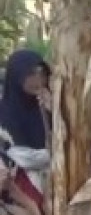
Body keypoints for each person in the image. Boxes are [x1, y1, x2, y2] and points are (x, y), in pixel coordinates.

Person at [0, 50, 52, 201]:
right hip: (20, 189)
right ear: (16, 76)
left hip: (57, 183)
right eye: (31, 74)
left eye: (42, 73)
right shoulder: (4, 111)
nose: (38, 80)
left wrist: (54, 111)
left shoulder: (49, 105)